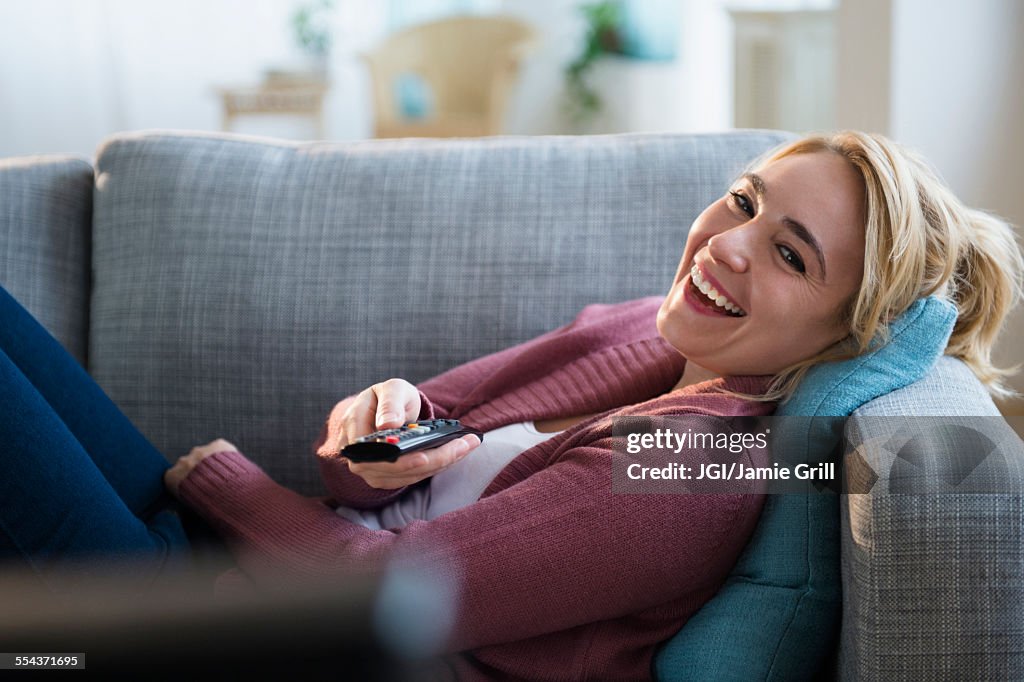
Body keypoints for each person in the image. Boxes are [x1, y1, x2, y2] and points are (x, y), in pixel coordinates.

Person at [1, 131, 1021, 680]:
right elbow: (385, 455)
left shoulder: (686, 481)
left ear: (843, 334)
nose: (728, 243)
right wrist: (374, 433)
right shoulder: (648, 332)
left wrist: (211, 471)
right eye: (746, 200)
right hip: (239, 561)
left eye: (790, 254)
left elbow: (382, 592)